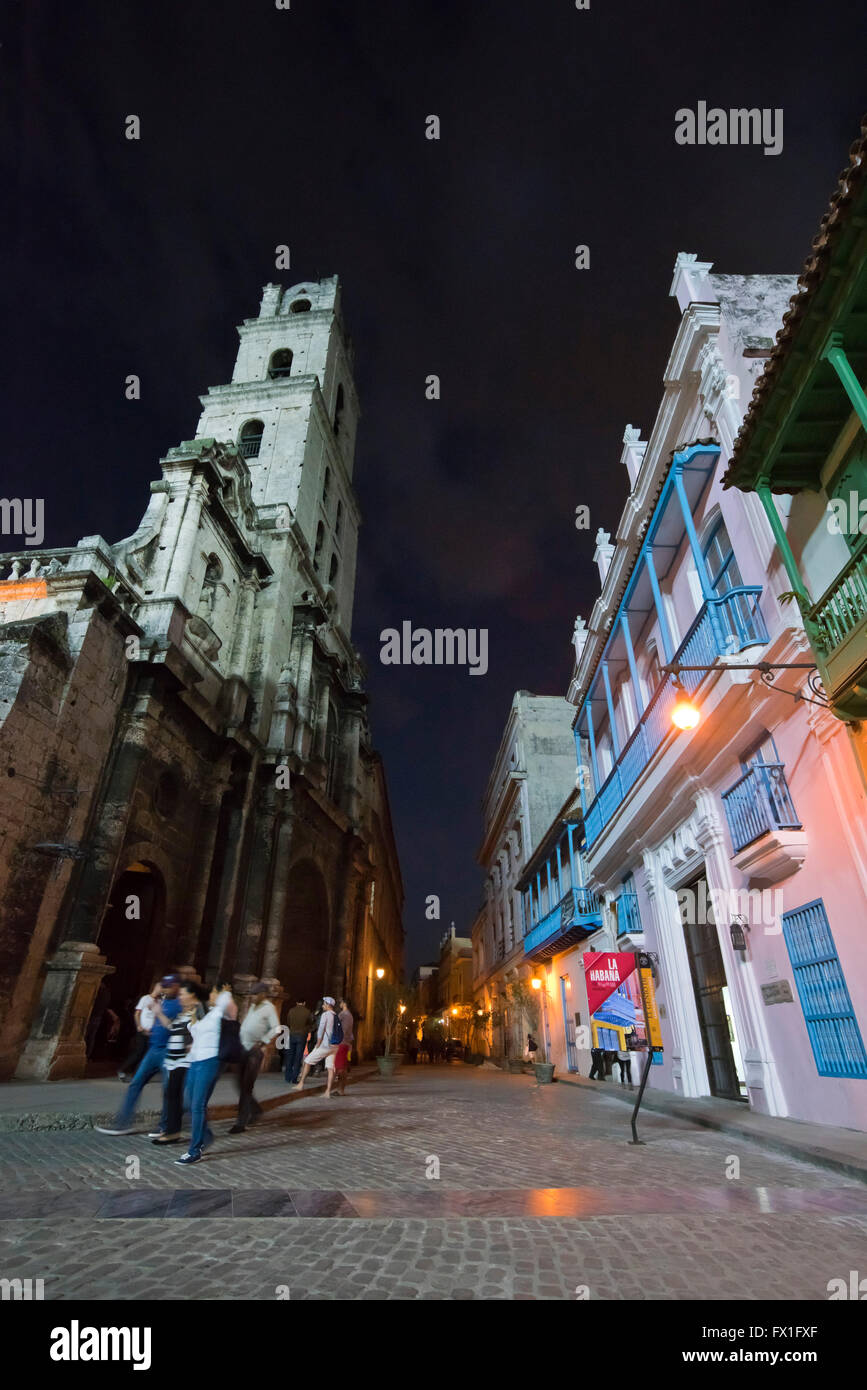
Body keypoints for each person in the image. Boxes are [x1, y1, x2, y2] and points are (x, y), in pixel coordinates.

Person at [97, 976, 182, 1135]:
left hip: (168, 1052)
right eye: (164, 985)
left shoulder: (180, 1004)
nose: (165, 988)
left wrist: (158, 1013)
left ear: (176, 986)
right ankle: (122, 1123)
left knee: (169, 1091)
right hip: (154, 1049)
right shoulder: (161, 1000)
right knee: (136, 1084)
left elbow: (176, 1028)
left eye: (168, 986)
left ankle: (165, 1126)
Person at [176, 980, 237, 1165]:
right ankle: (206, 1135)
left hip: (210, 1061)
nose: (210, 996)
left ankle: (195, 1150)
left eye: (212, 992)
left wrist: (224, 990)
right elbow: (197, 1032)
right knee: (187, 1101)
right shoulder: (207, 1013)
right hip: (195, 1061)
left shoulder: (222, 1011)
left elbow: (229, 1005)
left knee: (197, 1105)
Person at [153, 980, 207, 1145]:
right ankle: (171, 1129)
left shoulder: (199, 1010)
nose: (180, 997)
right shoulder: (185, 1012)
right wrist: (159, 1013)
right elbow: (172, 1027)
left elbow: (204, 1029)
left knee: (176, 1096)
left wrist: (195, 1043)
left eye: (182, 994)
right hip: (173, 1060)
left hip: (184, 1060)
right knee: (172, 1095)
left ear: (192, 995)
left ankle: (173, 1132)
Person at [231, 982, 281, 1134]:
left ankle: (241, 1122)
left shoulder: (269, 1008)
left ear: (262, 995)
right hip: (242, 1048)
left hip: (254, 1050)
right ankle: (256, 1109)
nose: (251, 997)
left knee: (246, 1086)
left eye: (254, 994)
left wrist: (262, 1042)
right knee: (239, 1084)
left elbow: (276, 1028)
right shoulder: (254, 1006)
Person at [294, 996, 339, 1091]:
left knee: (307, 1061)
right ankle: (327, 1092)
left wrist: (318, 1043)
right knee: (330, 1068)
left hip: (325, 1045)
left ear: (327, 1005)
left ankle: (301, 1084)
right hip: (334, 1046)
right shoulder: (335, 1015)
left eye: (324, 1004)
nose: (322, 1006)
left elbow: (321, 1029)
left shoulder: (325, 1015)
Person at [118, 980, 160, 1080]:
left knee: (146, 1053)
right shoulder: (145, 998)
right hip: (142, 1029)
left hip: (152, 1032)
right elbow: (137, 1013)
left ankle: (137, 1074)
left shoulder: (160, 1001)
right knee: (138, 1051)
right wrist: (139, 1025)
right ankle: (123, 1069)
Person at [283, 998, 313, 1085]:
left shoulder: (291, 1011)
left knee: (290, 1056)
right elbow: (310, 1023)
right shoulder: (307, 1012)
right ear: (304, 1002)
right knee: (298, 1057)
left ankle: (287, 1077)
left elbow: (288, 1022)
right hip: (302, 1036)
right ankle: (294, 1078)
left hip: (292, 1035)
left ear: (296, 1002)